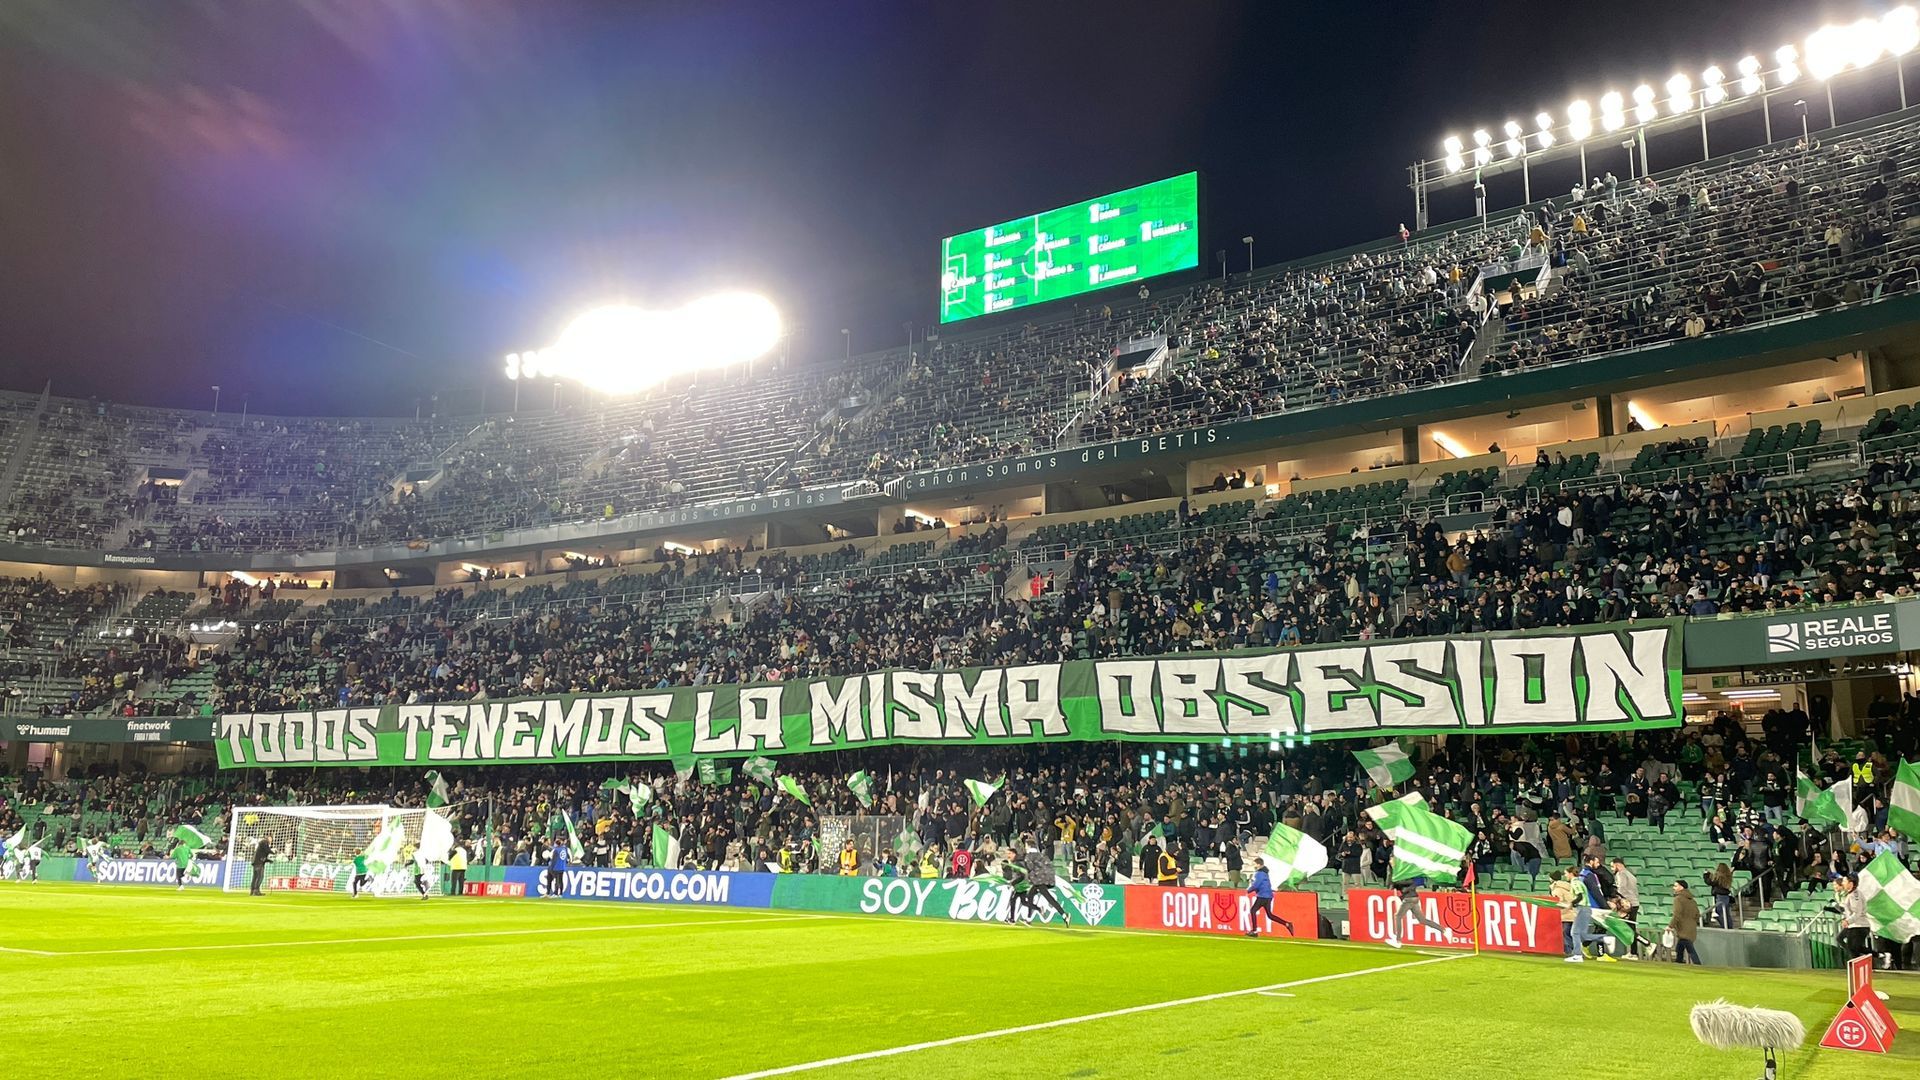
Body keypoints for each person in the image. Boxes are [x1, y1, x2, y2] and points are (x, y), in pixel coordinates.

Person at [1384, 876, 1448, 949]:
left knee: (1398, 916)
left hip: (1409, 899)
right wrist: (1393, 881)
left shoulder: (1408, 879)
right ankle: (1443, 930)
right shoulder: (1403, 879)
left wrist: (1395, 881)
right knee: (1422, 920)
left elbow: (1405, 885)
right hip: (1413, 899)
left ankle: (1398, 940)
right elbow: (1391, 886)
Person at [1022, 837, 1072, 925]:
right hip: (1048, 878)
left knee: (1048, 898)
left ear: (1029, 846)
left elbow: (1029, 868)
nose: (1025, 847)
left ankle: (1064, 915)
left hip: (1039, 880)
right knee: (1030, 896)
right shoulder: (1041, 854)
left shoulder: (1029, 856)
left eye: (1026, 846)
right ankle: (1029, 919)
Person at [1243, 858, 1294, 938]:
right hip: (1268, 895)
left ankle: (1254, 931)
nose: (1254, 866)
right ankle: (1287, 924)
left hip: (1262, 896)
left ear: (1258, 864)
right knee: (1269, 915)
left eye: (1254, 864)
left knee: (1253, 910)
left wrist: (1248, 891)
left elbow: (1256, 885)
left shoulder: (1259, 873)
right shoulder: (1265, 873)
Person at [1830, 875, 1871, 960]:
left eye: (1844, 881)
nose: (1843, 883)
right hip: (1854, 925)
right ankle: (1879, 955)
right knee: (1852, 947)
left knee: (1852, 948)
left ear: (1851, 883)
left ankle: (1877, 956)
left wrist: (1847, 921)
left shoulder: (1855, 895)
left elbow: (1857, 912)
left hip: (1859, 925)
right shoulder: (1850, 894)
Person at [1611, 857, 1642, 958]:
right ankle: (1633, 952)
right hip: (1635, 903)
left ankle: (1645, 945)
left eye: (1612, 866)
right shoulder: (1631, 875)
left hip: (1627, 905)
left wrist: (1616, 898)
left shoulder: (1621, 874)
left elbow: (1621, 888)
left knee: (1628, 928)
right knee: (1631, 927)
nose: (1612, 869)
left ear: (1618, 865)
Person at [1668, 880, 1701, 965]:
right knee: (1680, 948)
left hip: (1683, 928)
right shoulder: (1692, 900)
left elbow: (1677, 914)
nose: (1673, 888)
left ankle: (1698, 965)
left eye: (1675, 886)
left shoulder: (1678, 899)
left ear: (1681, 887)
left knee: (1690, 949)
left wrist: (1670, 926)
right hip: (1691, 928)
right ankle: (1678, 963)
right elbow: (1697, 914)